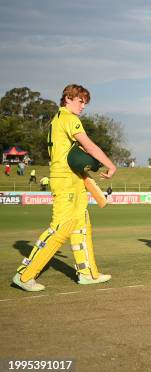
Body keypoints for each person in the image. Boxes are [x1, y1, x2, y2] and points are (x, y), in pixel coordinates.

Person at [13, 84, 117, 291]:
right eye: (80, 101)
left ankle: (87, 273)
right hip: (65, 180)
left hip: (74, 179)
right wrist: (110, 165)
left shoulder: (57, 120)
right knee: (61, 228)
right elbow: (89, 146)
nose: (83, 106)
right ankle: (24, 275)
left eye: (85, 103)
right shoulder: (69, 119)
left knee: (81, 226)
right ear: (68, 99)